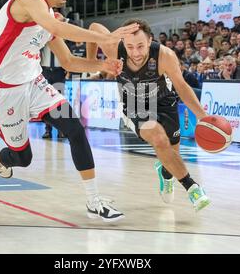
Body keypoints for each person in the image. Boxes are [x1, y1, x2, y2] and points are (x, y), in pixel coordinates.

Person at [0, 0, 139, 222]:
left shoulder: (50, 20)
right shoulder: (29, 0)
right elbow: (57, 28)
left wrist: (103, 65)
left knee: (75, 128)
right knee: (23, 157)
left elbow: (68, 62)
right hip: (4, 91)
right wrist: (104, 39)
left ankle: (93, 200)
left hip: (35, 83)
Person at [85, 19, 211, 212]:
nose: (135, 52)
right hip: (135, 105)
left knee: (171, 155)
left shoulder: (164, 55)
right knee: (159, 139)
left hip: (164, 101)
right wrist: (93, 64)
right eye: (130, 46)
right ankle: (192, 187)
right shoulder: (113, 48)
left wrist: (202, 116)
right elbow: (93, 28)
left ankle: (166, 174)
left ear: (150, 40)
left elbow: (182, 87)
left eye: (140, 46)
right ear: (123, 43)